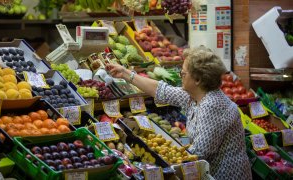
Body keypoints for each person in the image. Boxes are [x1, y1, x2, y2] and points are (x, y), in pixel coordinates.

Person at [106, 46, 252, 180]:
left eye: (183, 72)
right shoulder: (194, 96)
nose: (180, 75)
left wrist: (162, 159)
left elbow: (198, 153)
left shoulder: (212, 105)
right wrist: (125, 73)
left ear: (198, 79)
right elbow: (160, 90)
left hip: (225, 175)